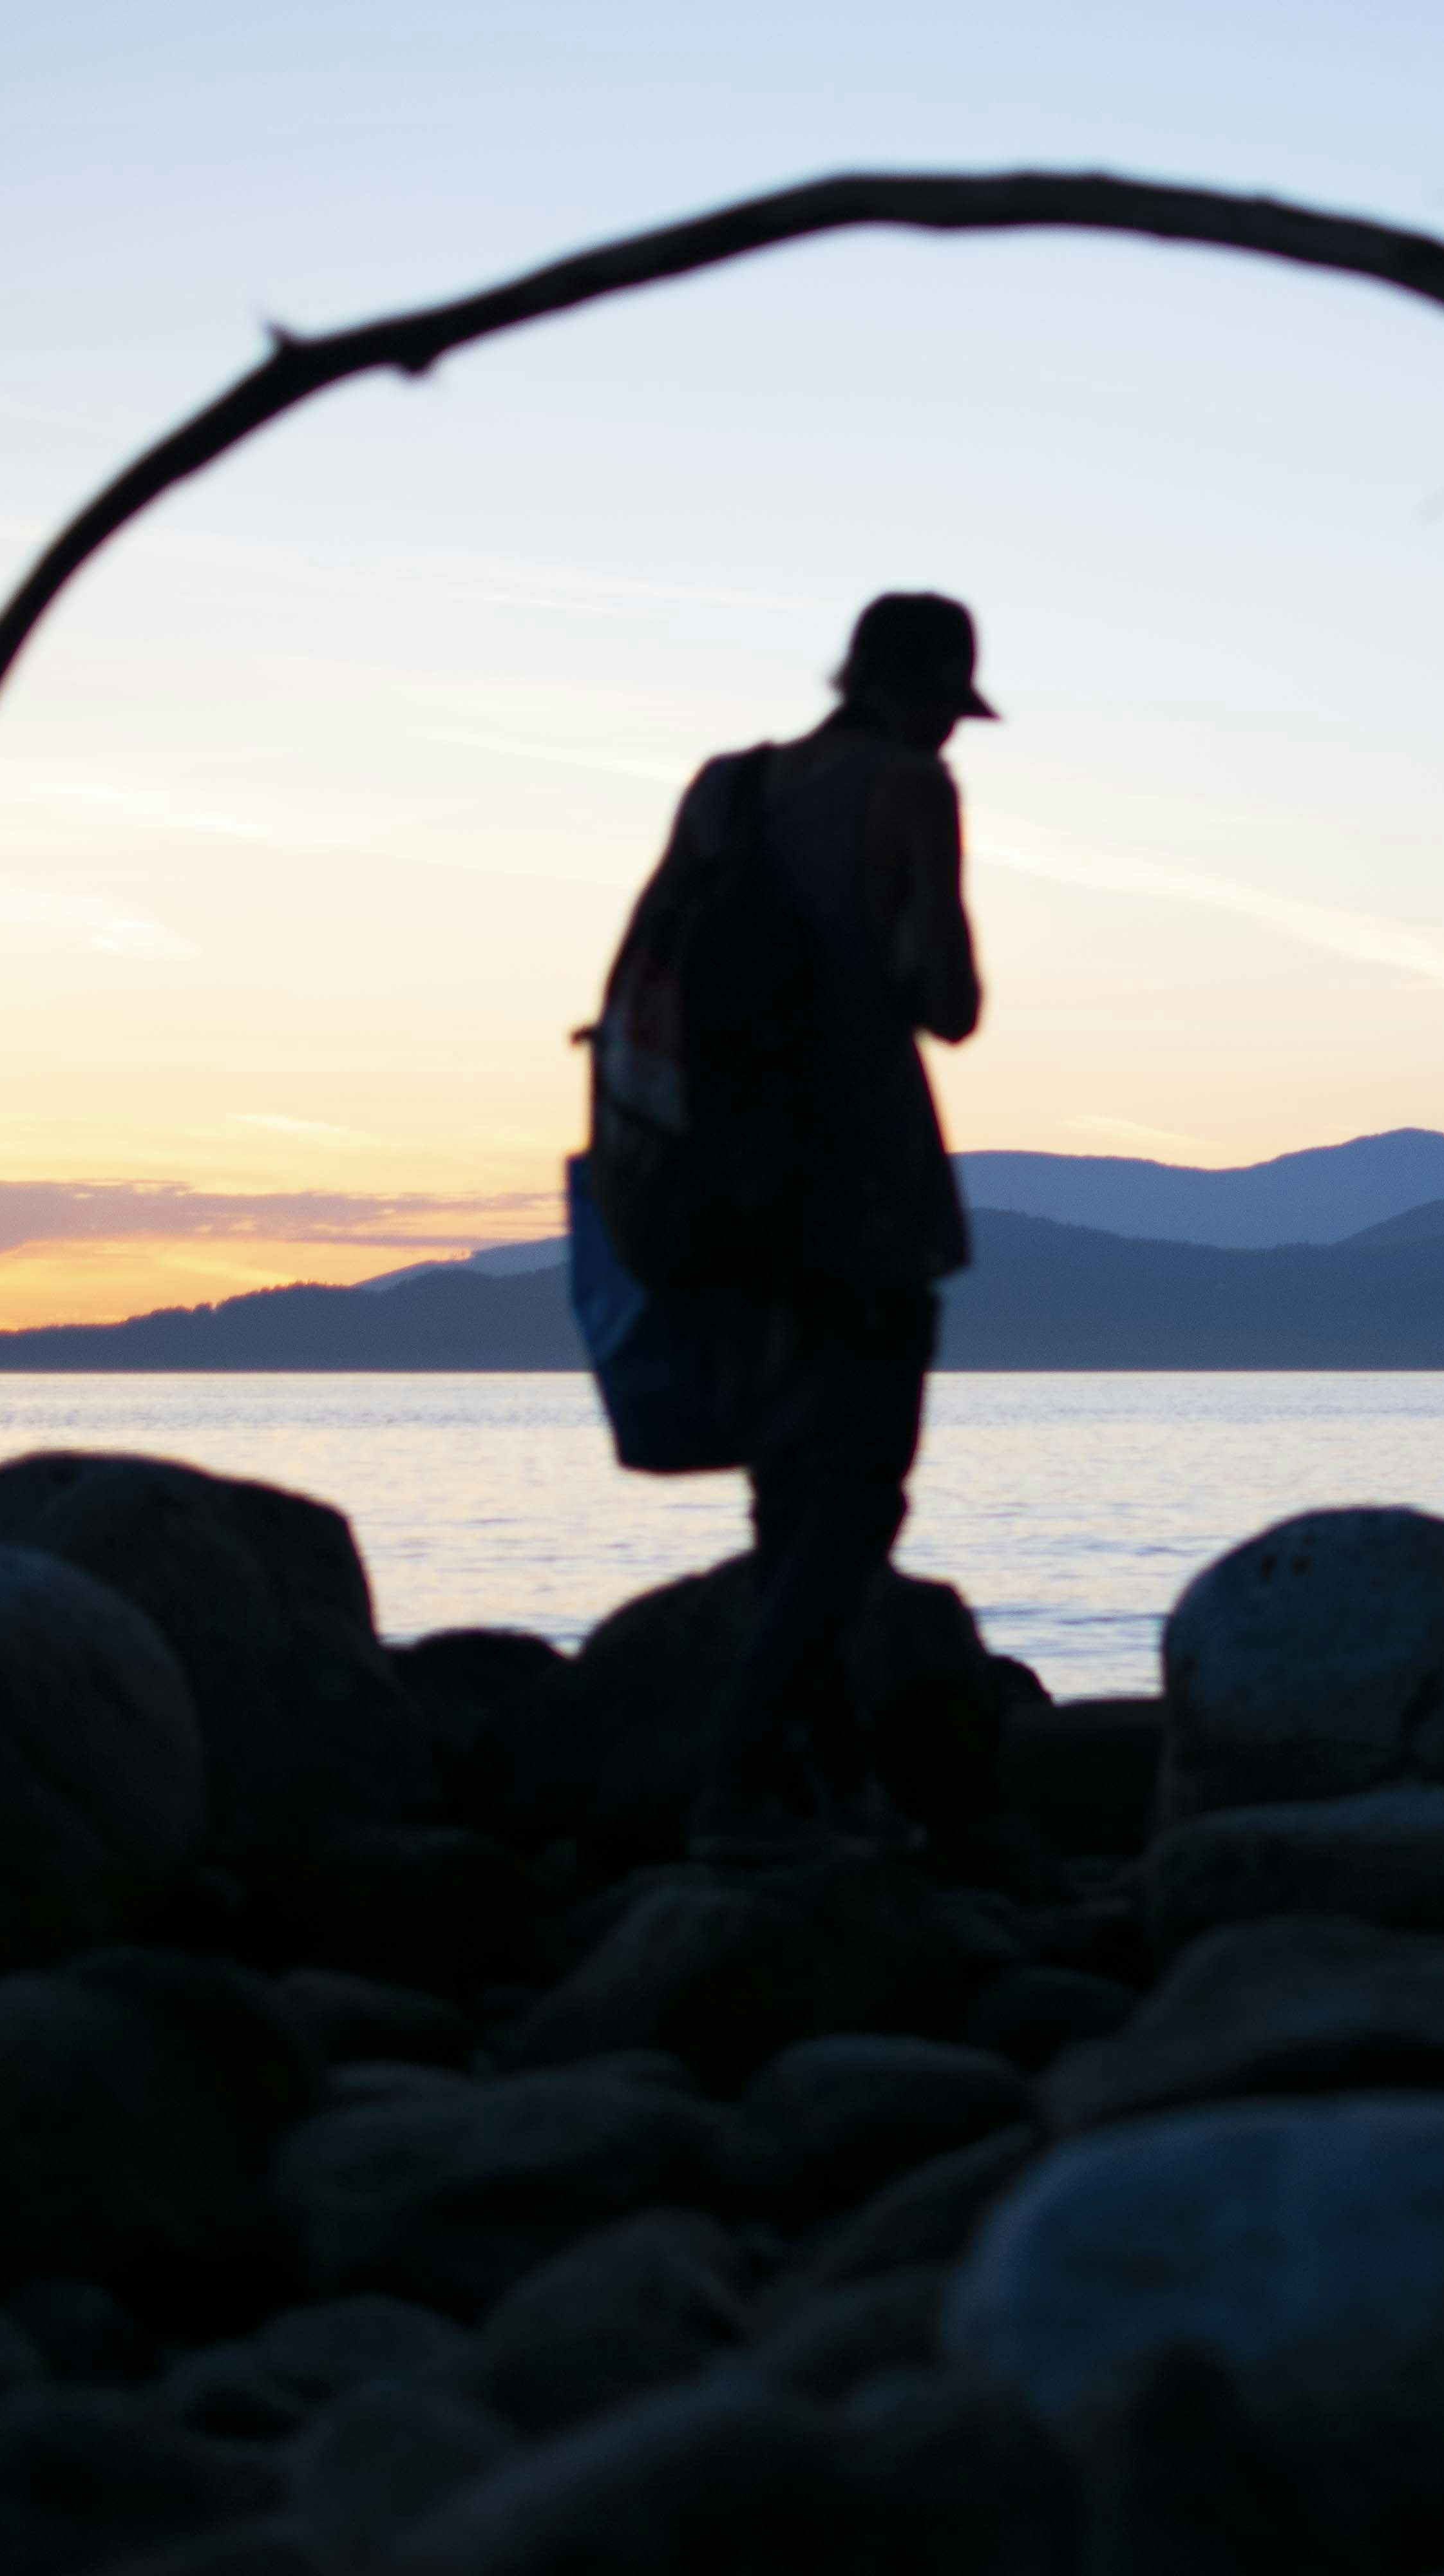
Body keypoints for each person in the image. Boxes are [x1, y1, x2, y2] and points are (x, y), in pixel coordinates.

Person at [664, 592, 989, 1855]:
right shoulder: (908, 786)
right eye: (953, 713)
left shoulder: (722, 791)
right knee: (859, 1498)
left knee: (789, 1495)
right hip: (861, 1183)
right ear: (922, 696)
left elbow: (647, 978)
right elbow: (950, 1001)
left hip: (718, 1191)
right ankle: (739, 1780)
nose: (953, 740)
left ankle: (826, 1788)